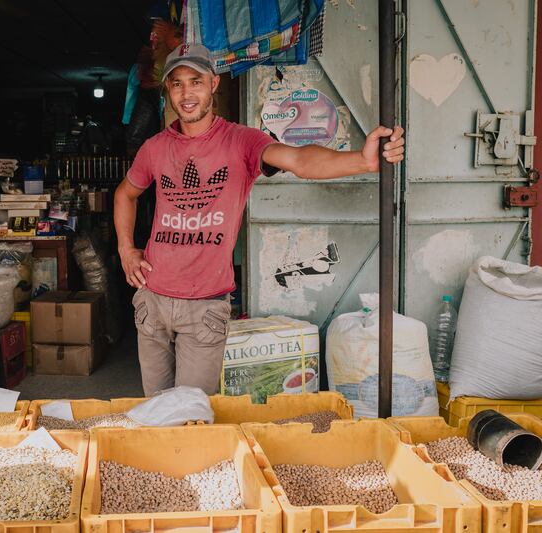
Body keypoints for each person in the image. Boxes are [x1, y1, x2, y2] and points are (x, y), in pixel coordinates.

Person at [114, 43, 405, 396]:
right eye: (177, 84)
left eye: (195, 81)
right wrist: (127, 249)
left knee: (190, 413)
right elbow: (125, 194)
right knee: (156, 409)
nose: (186, 93)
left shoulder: (241, 142)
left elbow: (300, 160)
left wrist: (361, 160)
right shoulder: (155, 147)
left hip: (204, 305)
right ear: (168, 91)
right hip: (153, 300)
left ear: (213, 84)